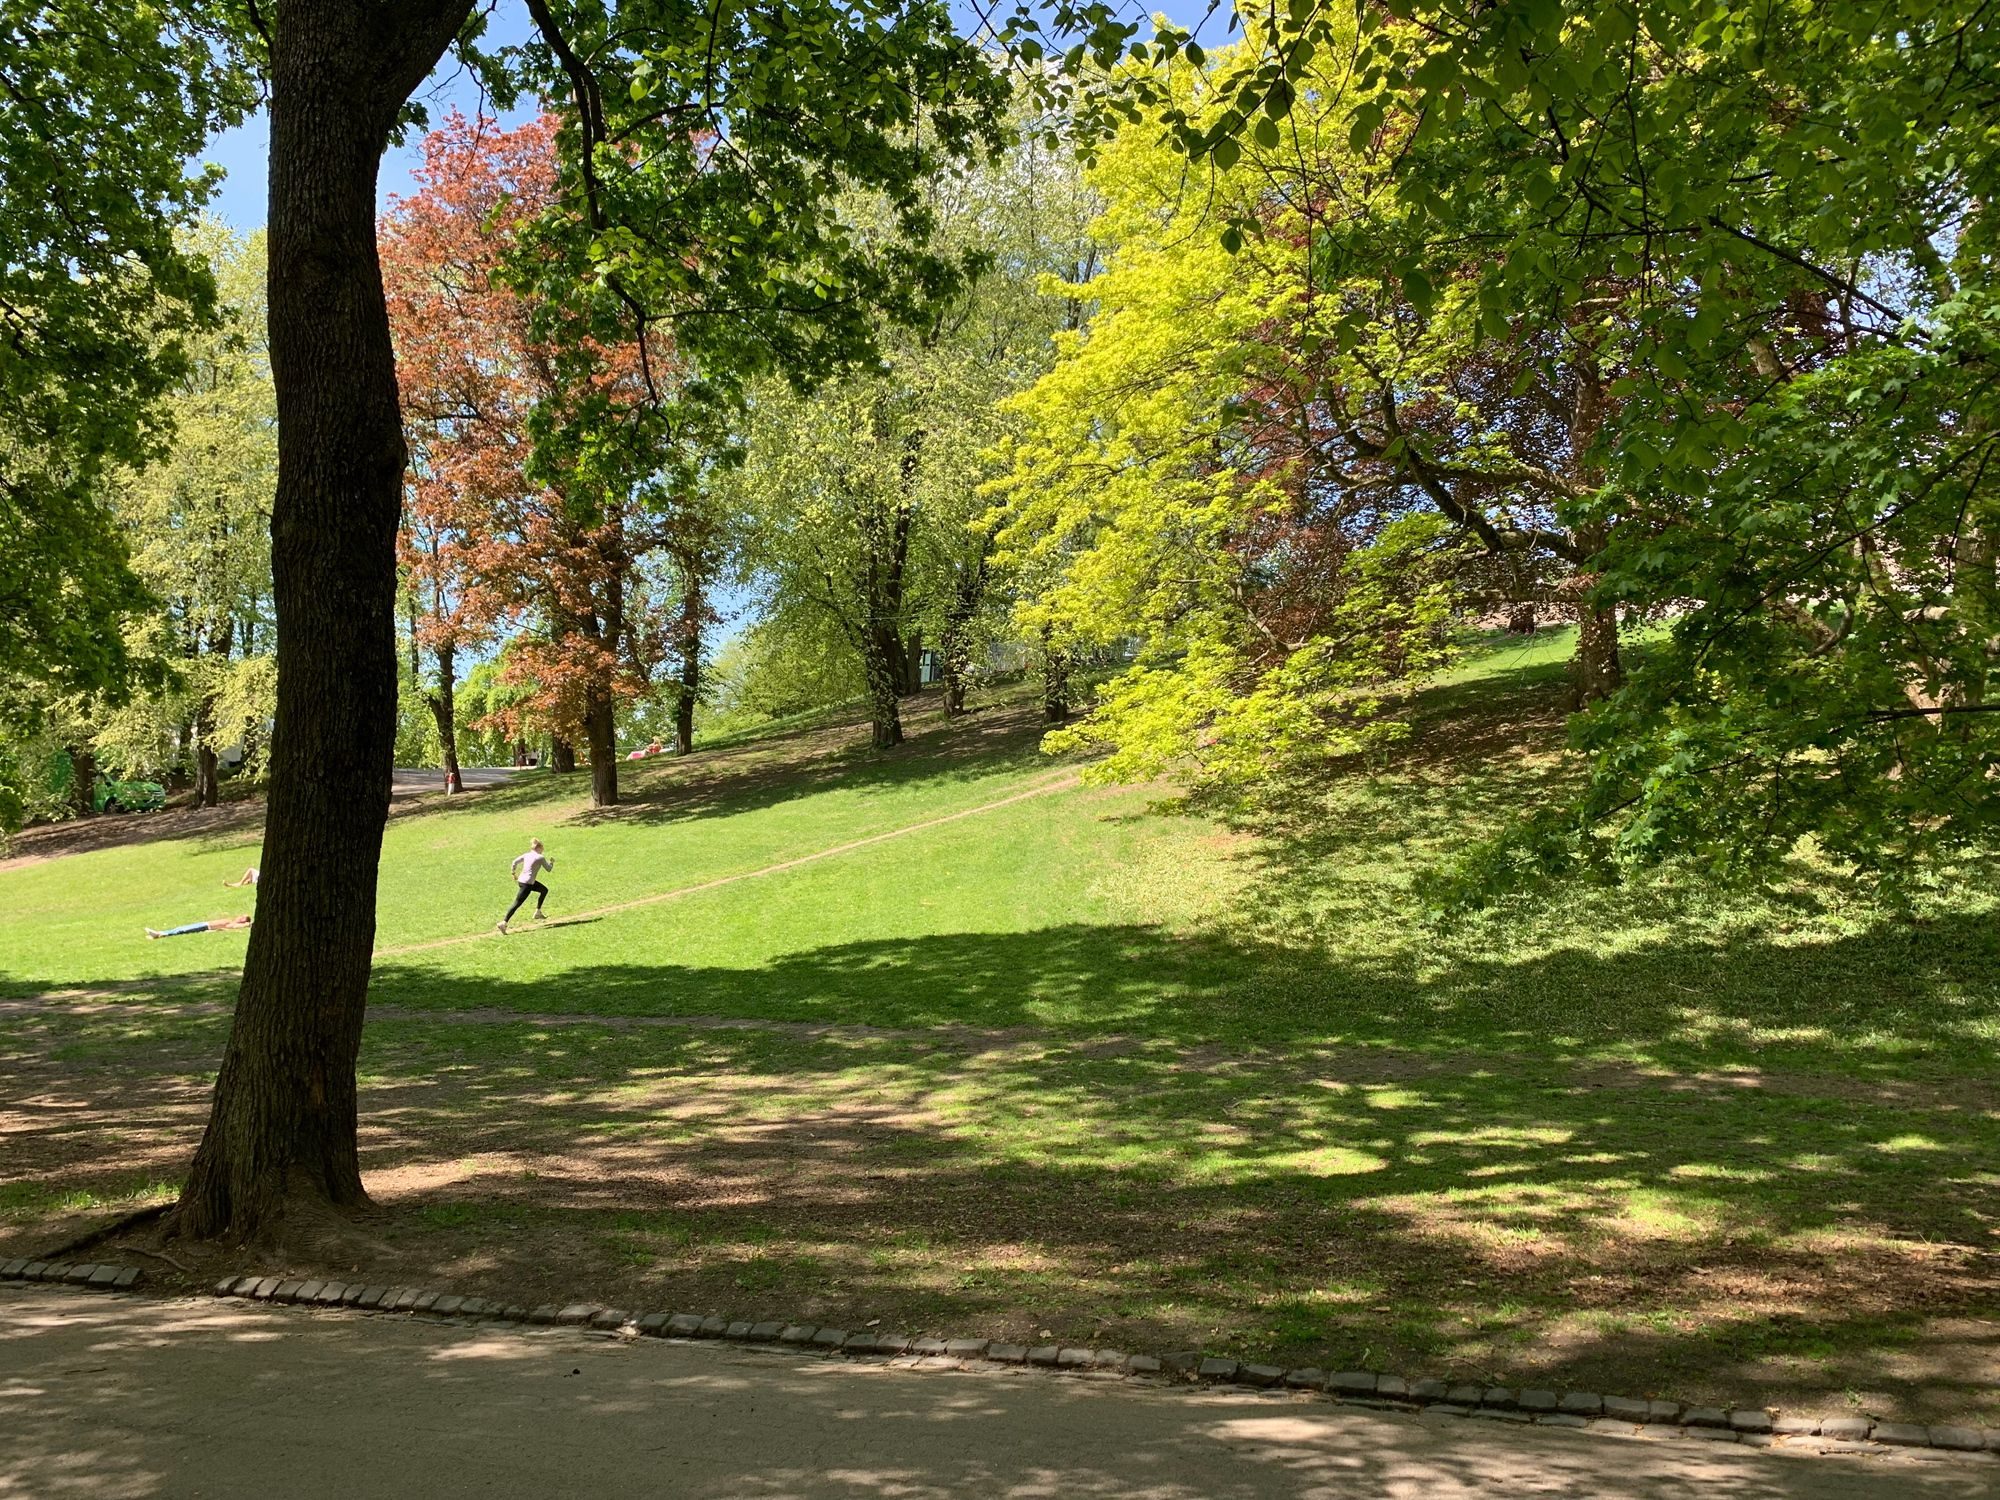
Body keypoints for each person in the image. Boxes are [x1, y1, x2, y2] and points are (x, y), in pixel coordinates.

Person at [498, 838, 555, 933]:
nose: (542, 851)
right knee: (517, 903)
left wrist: (513, 872)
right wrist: (552, 863)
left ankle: (538, 912)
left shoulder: (526, 855)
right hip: (527, 884)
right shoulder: (540, 857)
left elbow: (514, 862)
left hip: (522, 881)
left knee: (544, 890)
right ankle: (503, 923)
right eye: (542, 849)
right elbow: (548, 869)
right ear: (539, 848)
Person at [147, 914, 252, 940]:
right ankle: (160, 933)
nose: (240, 916)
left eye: (242, 917)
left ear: (243, 921)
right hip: (204, 924)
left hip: (205, 927)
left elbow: (245, 925)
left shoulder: (233, 924)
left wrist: (248, 924)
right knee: (181, 928)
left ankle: (160, 934)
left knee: (182, 930)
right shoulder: (231, 921)